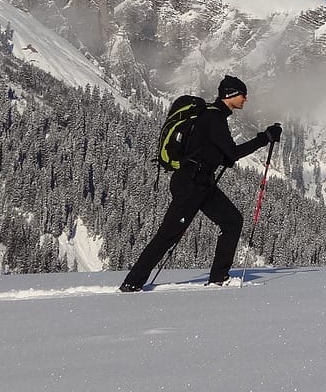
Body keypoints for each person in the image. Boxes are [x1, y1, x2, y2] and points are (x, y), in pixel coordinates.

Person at [120, 75, 283, 291]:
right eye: (243, 94)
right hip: (191, 185)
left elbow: (215, 152)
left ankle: (218, 278)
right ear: (231, 95)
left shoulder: (212, 117)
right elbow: (232, 153)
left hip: (201, 183)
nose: (246, 99)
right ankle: (132, 283)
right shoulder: (213, 118)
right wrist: (265, 138)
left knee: (232, 221)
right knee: (168, 235)